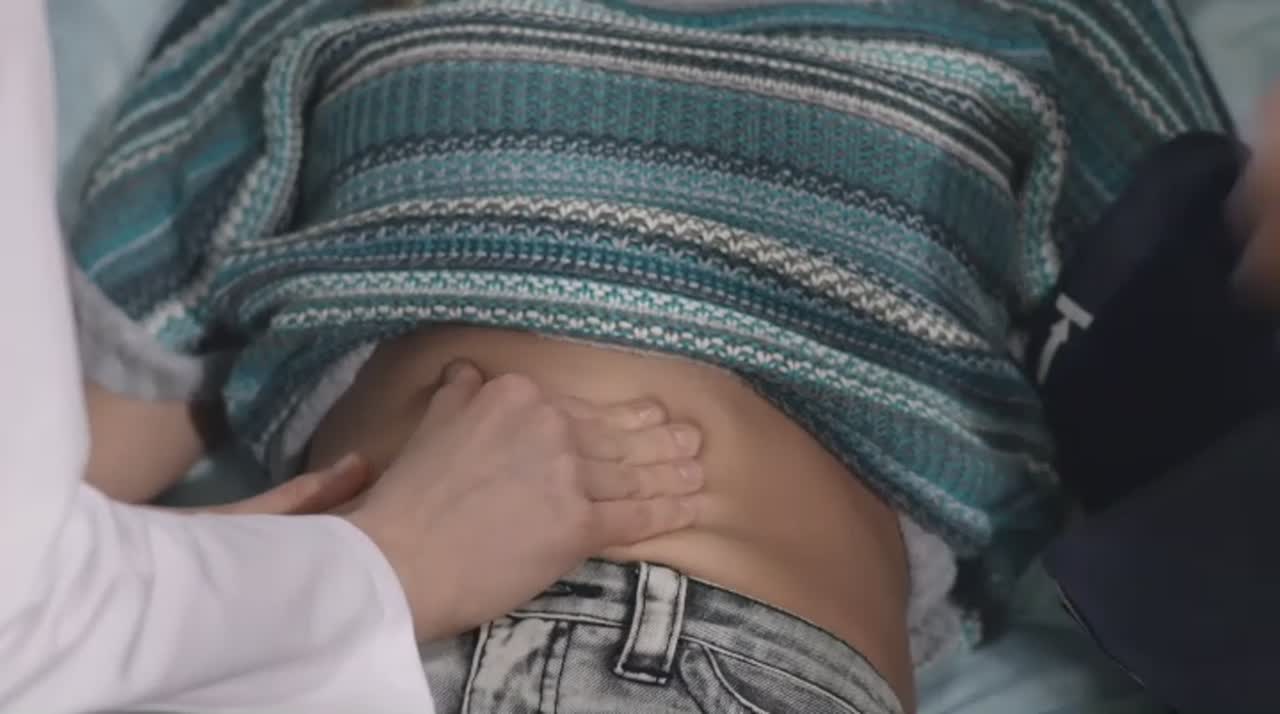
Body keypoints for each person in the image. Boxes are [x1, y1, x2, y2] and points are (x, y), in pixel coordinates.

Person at [67, 0, 1233, 711]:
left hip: (738, 664)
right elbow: (72, 495)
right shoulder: (301, 11)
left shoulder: (1056, 22)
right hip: (341, 639)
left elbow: (1206, 428)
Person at [0, 2, 709, 712]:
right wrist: (370, 563)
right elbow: (51, 535)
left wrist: (225, 574)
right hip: (360, 635)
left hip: (307, 619)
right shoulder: (315, 23)